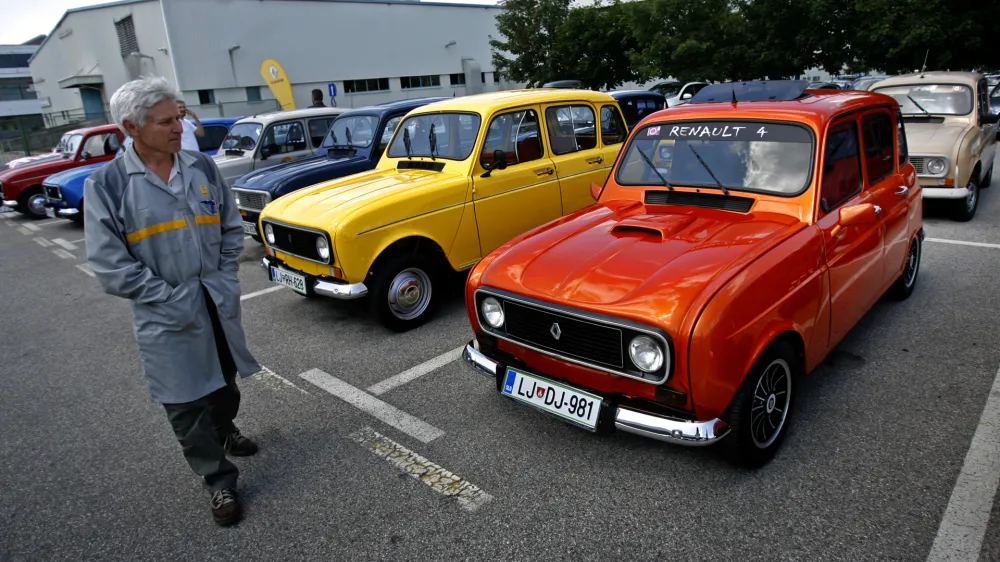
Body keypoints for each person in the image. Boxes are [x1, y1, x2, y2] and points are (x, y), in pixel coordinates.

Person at [83, 76, 261, 527]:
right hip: (166, 315)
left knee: (223, 385)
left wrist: (224, 277)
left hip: (214, 303)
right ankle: (219, 481)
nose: (178, 128)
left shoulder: (199, 167)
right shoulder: (107, 185)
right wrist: (169, 297)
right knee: (185, 404)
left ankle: (225, 430)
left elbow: (228, 225)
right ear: (131, 127)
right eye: (166, 122)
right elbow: (110, 266)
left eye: (178, 117)